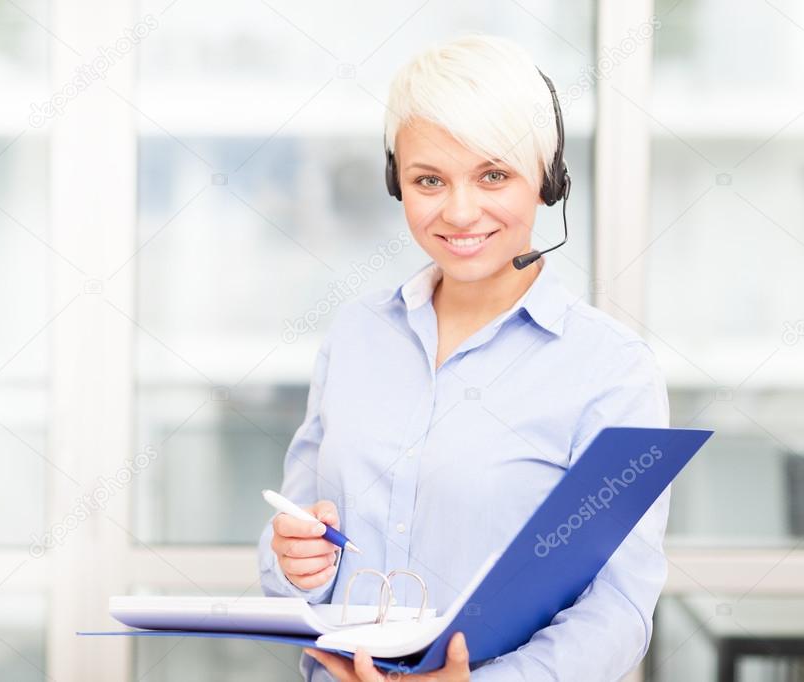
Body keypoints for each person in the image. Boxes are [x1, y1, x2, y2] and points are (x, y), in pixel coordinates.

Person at [256, 33, 671, 682]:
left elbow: (617, 607)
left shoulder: (611, 369)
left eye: (493, 175)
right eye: (428, 179)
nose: (458, 210)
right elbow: (292, 540)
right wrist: (294, 565)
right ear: (398, 182)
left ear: (548, 179)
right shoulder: (356, 334)